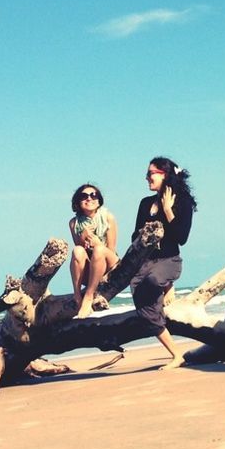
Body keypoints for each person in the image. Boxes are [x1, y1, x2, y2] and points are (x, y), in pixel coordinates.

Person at [131, 156, 196, 369]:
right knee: (147, 311)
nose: (147, 177)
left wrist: (168, 210)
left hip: (169, 261)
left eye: (151, 173)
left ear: (165, 174)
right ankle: (177, 355)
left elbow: (181, 238)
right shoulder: (145, 203)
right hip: (144, 263)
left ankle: (167, 284)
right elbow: (135, 237)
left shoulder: (182, 201)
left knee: (153, 279)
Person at [68, 183, 119, 319]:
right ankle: (77, 296)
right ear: (78, 201)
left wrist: (98, 243)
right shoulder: (74, 223)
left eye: (93, 195)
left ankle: (89, 296)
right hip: (91, 269)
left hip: (109, 263)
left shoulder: (108, 216)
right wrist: (83, 237)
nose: (89, 199)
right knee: (77, 250)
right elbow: (80, 255)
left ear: (99, 200)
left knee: (99, 249)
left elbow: (112, 250)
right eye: (84, 196)